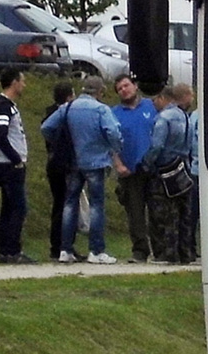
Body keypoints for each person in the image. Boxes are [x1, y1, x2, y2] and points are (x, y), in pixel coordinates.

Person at [43, 75, 127, 264]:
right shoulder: (100, 109)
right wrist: (115, 147)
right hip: (96, 162)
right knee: (96, 205)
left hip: (73, 162)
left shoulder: (68, 107)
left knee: (70, 203)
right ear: (100, 91)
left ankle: (65, 250)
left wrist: (58, 143)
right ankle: (96, 250)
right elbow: (113, 132)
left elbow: (46, 127)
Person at [143, 83, 195, 264]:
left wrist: (147, 163)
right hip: (184, 170)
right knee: (184, 215)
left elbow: (157, 146)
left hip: (164, 171)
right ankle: (185, 253)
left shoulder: (164, 118)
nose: (153, 103)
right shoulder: (185, 117)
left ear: (164, 98)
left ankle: (166, 253)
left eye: (155, 99)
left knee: (164, 215)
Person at [0, 69, 35, 264]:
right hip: (8, 164)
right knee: (18, 207)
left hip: (9, 163)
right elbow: (1, 135)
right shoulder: (3, 107)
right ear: (14, 83)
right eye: (22, 81)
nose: (24, 85)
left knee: (9, 207)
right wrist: (15, 158)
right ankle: (12, 250)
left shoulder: (7, 106)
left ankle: (5, 250)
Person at [111, 74, 158, 262]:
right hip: (129, 170)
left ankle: (161, 248)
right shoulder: (114, 113)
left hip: (153, 167)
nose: (124, 90)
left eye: (126, 86)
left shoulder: (151, 106)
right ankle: (140, 250)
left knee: (157, 210)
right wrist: (118, 165)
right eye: (120, 89)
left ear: (135, 86)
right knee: (135, 213)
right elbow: (110, 142)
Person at [41, 81, 75, 261]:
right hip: (63, 163)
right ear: (69, 96)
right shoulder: (66, 114)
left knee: (59, 204)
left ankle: (59, 244)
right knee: (66, 204)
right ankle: (62, 245)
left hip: (53, 162)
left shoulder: (48, 113)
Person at [181, 85, 201, 262]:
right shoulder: (195, 117)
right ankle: (190, 247)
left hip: (196, 168)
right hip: (196, 170)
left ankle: (191, 247)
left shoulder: (193, 116)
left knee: (193, 213)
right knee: (192, 213)